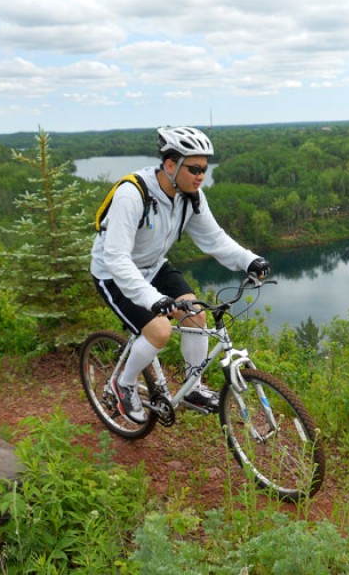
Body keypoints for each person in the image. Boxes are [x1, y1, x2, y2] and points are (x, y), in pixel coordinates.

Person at [90, 126, 271, 424]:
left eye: (205, 168)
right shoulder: (133, 194)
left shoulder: (191, 196)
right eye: (195, 168)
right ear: (170, 165)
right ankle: (123, 383)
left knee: (196, 316)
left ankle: (192, 388)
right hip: (114, 273)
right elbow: (117, 258)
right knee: (159, 331)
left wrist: (249, 260)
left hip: (154, 264)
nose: (201, 175)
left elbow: (215, 239)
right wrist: (153, 299)